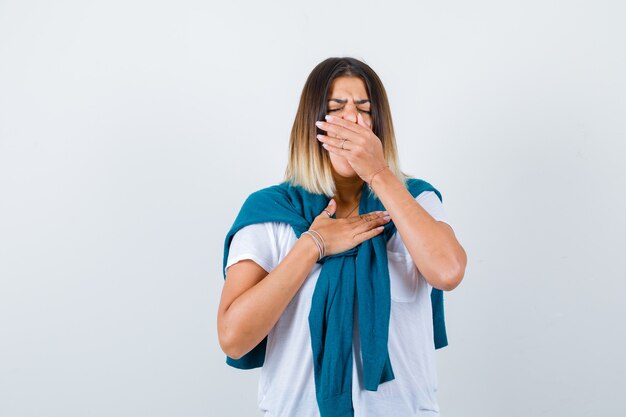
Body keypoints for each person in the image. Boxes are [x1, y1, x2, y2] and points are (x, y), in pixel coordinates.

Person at [217, 57, 467, 417]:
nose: (352, 119)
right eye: (336, 109)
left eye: (364, 109)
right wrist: (313, 245)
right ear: (311, 126)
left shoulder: (417, 201)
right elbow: (234, 338)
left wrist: (379, 173)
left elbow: (448, 271)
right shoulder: (271, 211)